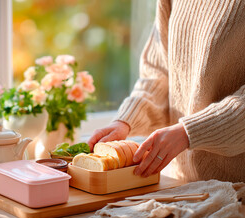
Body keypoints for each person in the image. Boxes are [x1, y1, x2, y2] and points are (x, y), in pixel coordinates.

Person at [88, 0, 245, 183]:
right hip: (183, 186)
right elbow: (159, 73)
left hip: (237, 192)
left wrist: (189, 132)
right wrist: (125, 121)